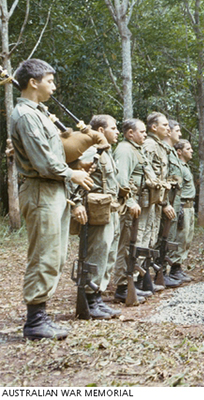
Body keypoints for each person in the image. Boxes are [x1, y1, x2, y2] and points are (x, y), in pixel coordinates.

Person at [9, 59, 93, 339]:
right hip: (41, 189)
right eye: (50, 80)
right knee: (43, 255)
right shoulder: (25, 115)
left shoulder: (40, 112)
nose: (54, 86)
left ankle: (41, 315)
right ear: (33, 82)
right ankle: (34, 322)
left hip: (53, 190)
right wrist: (72, 174)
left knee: (55, 256)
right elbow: (44, 162)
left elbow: (54, 152)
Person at [70, 114, 123, 319]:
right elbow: (75, 178)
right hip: (95, 211)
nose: (117, 131)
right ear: (100, 131)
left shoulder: (107, 152)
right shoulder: (92, 151)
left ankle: (97, 297)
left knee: (107, 254)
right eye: (113, 128)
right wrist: (76, 204)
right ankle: (89, 299)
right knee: (96, 254)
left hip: (109, 210)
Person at [112, 118, 156, 303]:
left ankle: (133, 282)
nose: (145, 135)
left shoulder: (135, 149)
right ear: (130, 133)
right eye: (142, 131)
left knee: (135, 244)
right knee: (126, 245)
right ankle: (122, 286)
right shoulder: (124, 150)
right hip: (130, 206)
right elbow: (121, 179)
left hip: (139, 204)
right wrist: (129, 202)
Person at [143, 112, 180, 288]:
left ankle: (144, 278)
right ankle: (139, 280)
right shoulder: (150, 145)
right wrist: (163, 202)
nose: (168, 128)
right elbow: (146, 175)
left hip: (156, 201)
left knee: (150, 240)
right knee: (144, 240)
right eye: (164, 125)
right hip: (149, 201)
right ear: (153, 127)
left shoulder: (159, 146)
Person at [163, 121, 191, 283]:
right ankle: (166, 271)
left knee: (179, 238)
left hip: (176, 203)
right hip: (169, 204)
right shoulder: (164, 151)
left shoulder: (172, 154)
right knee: (167, 239)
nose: (179, 134)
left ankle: (172, 270)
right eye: (177, 130)